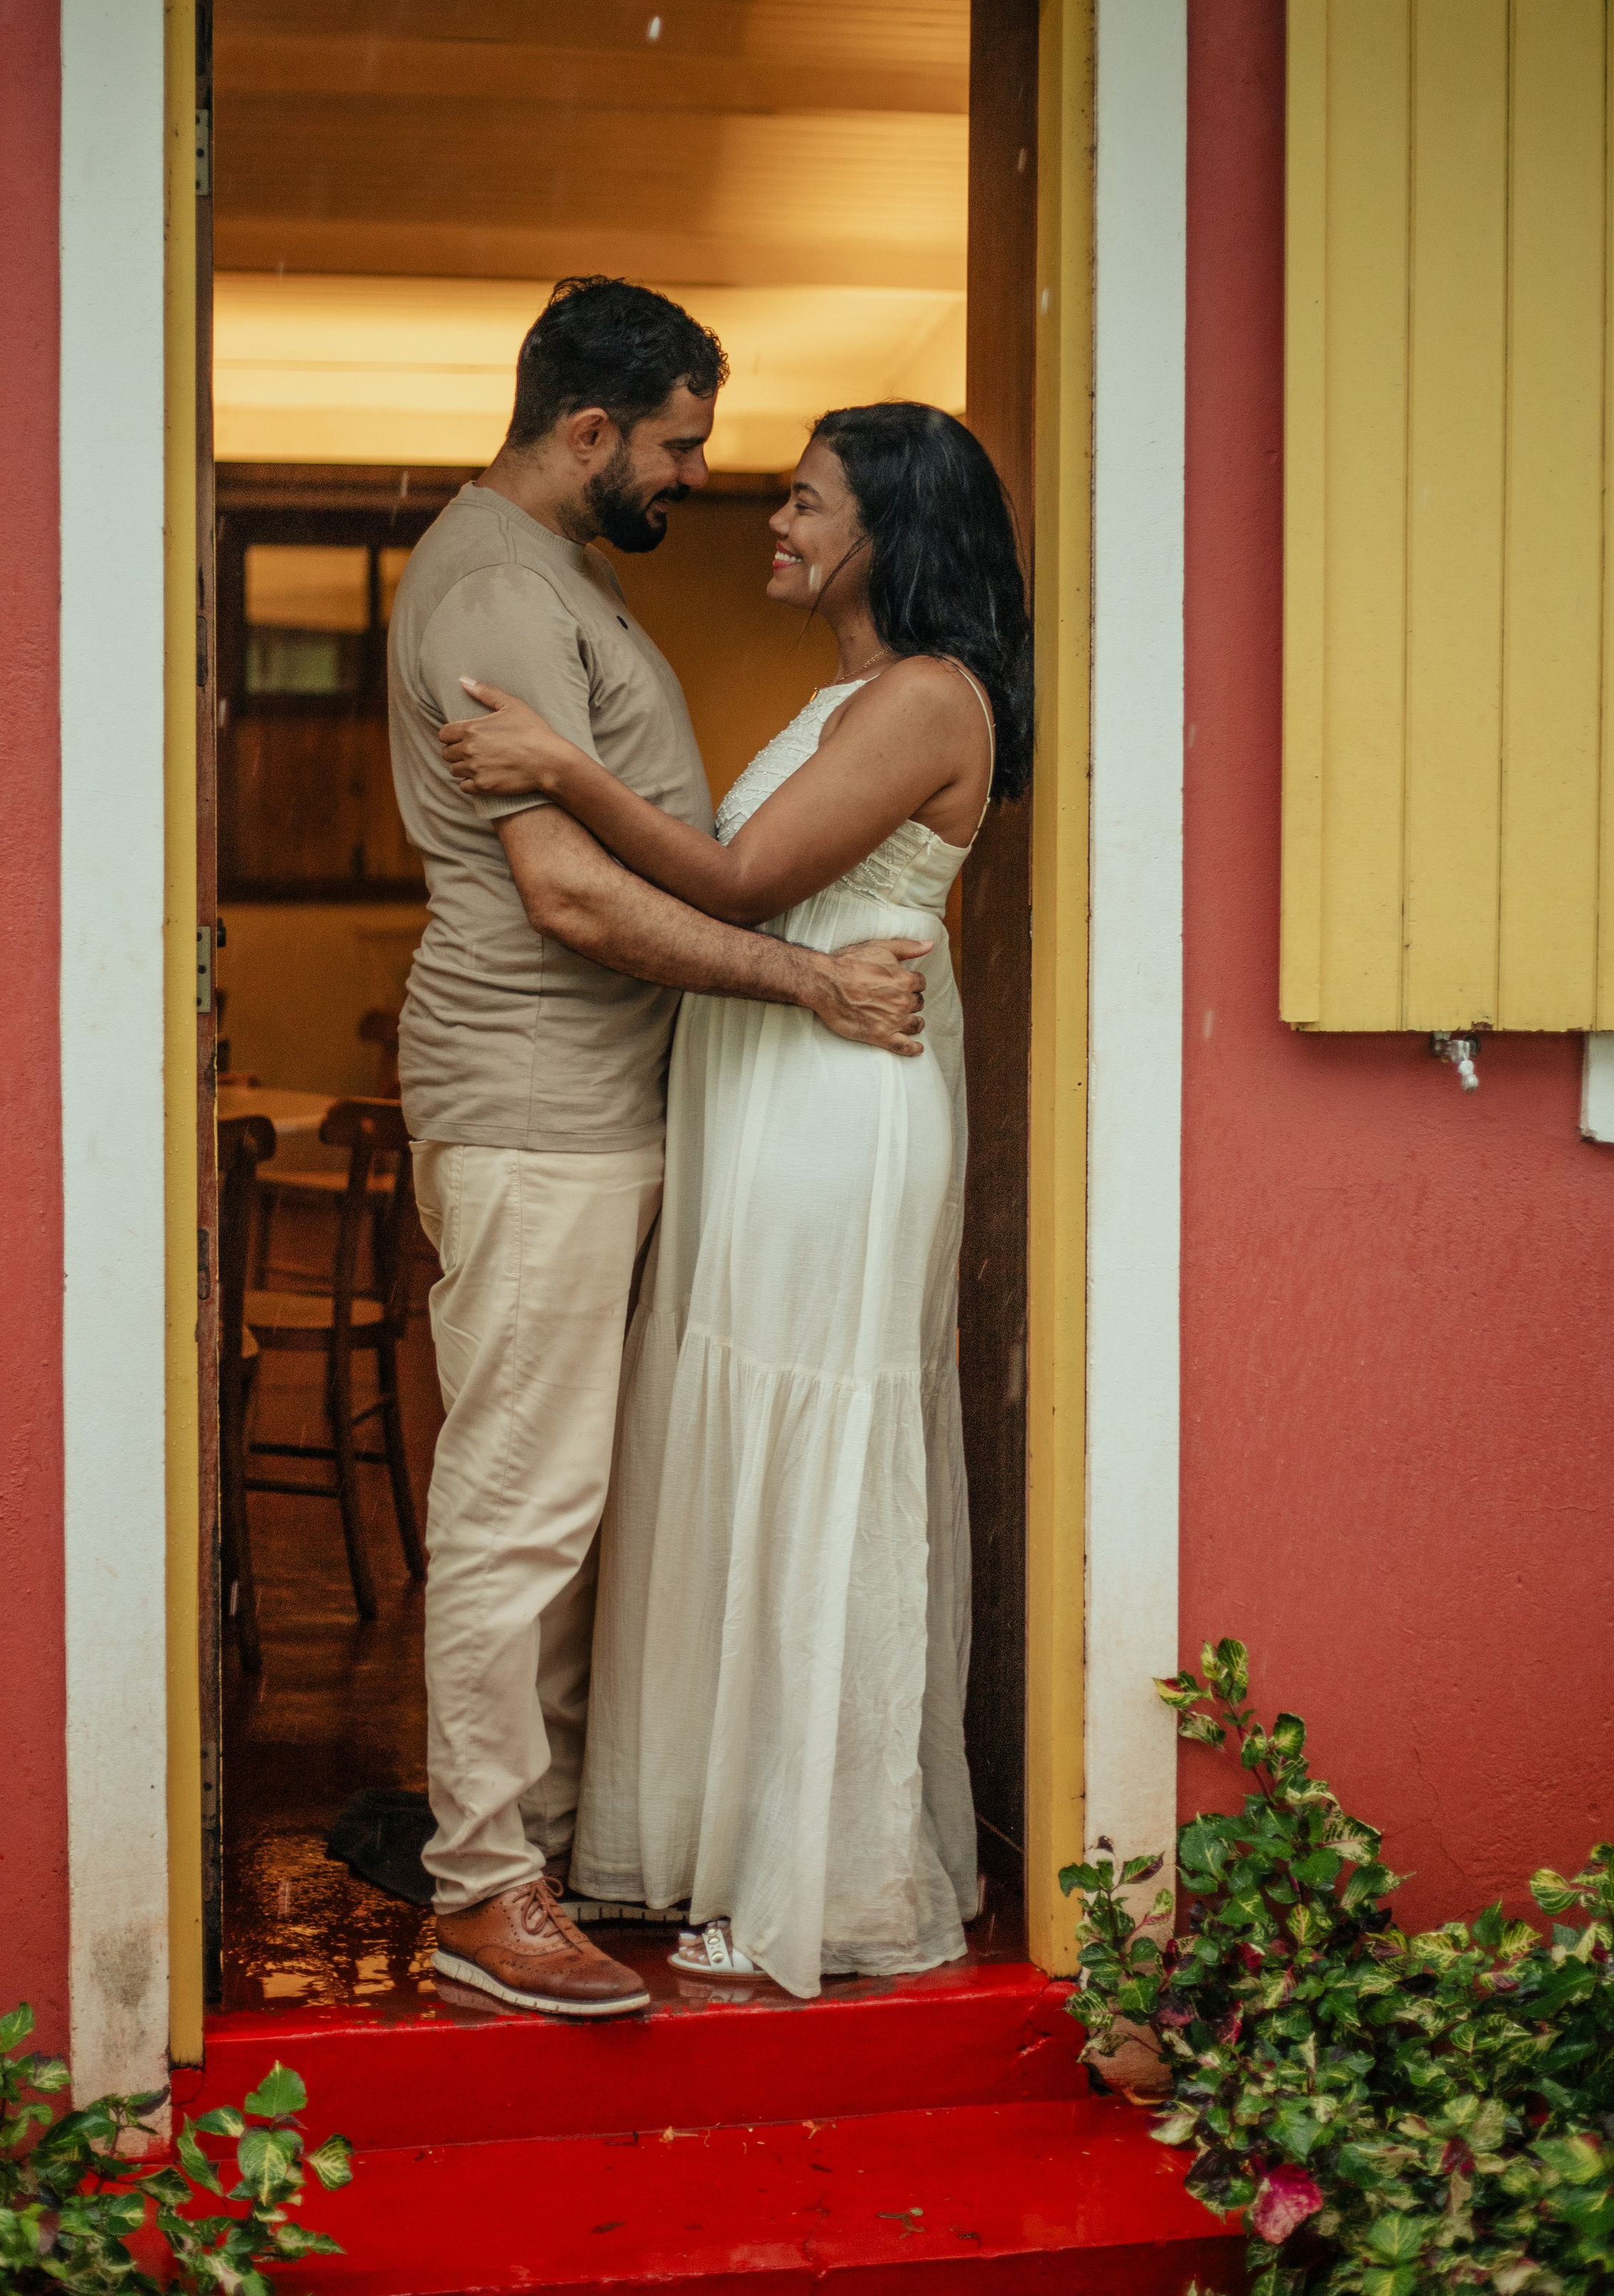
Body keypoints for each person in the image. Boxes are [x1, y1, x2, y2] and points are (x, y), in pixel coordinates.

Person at [385, 282, 933, 2023]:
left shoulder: (558, 583)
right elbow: (560, 888)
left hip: (593, 1107)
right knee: (516, 1500)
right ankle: (481, 1887)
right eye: (683, 443)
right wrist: (805, 982)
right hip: (535, 1100)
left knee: (557, 1497)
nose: (699, 476)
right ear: (591, 428)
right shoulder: (494, 589)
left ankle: (521, 1843)